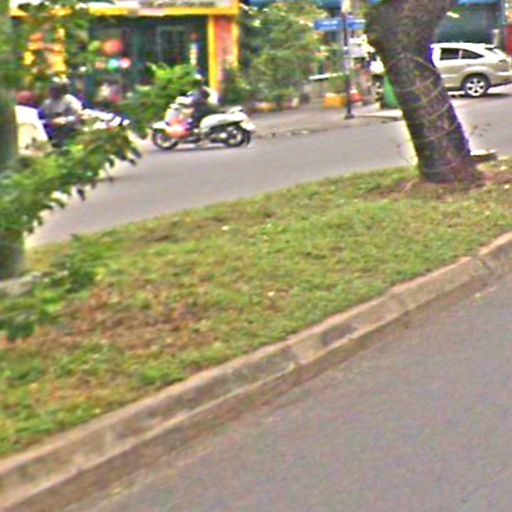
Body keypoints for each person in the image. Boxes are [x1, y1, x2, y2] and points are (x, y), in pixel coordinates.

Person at [41, 79, 84, 146]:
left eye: (54, 89)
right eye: (51, 89)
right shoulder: (47, 103)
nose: (51, 91)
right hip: (52, 133)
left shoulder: (70, 100)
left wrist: (65, 120)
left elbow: (77, 116)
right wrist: (49, 121)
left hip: (69, 132)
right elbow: (41, 117)